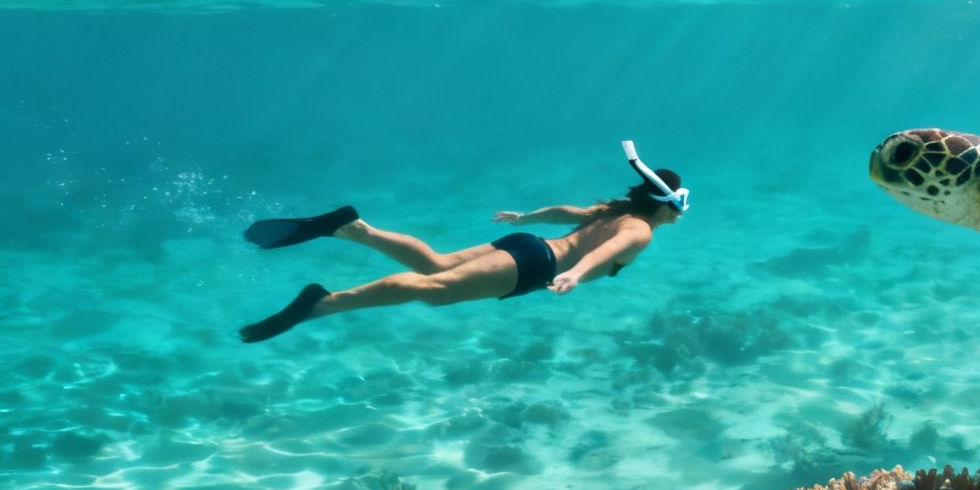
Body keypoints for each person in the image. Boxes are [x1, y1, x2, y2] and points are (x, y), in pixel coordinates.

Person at [239, 142, 687, 343]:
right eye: (679, 205)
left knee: (436, 265)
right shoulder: (640, 229)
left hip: (529, 244)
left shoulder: (614, 211)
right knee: (434, 292)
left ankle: (355, 229)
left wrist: (526, 216)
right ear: (664, 204)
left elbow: (569, 213)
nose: (678, 216)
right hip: (537, 268)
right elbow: (607, 251)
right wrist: (575, 273)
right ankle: (322, 304)